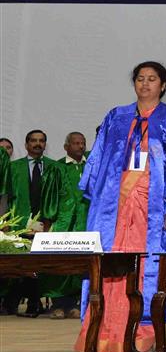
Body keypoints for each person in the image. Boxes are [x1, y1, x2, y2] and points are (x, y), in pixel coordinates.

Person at [75, 62, 166, 352]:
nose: (145, 84)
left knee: (147, 266)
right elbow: (98, 163)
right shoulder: (116, 117)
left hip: (154, 207)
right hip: (116, 207)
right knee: (111, 263)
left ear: (164, 84)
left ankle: (142, 331)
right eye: (140, 79)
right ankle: (104, 329)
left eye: (152, 79)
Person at [3, 129, 58, 317]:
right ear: (26, 145)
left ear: (45, 144)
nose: (37, 144)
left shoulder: (54, 167)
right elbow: (7, 196)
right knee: (22, 264)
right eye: (33, 141)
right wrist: (6, 221)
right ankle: (25, 302)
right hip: (19, 223)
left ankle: (33, 302)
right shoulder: (14, 167)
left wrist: (50, 221)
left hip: (46, 223)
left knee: (39, 263)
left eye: (41, 141)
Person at [48, 131, 91, 317]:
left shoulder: (90, 166)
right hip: (64, 223)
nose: (80, 146)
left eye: (82, 143)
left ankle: (74, 303)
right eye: (75, 143)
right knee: (61, 263)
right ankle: (58, 304)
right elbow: (50, 196)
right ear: (66, 147)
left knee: (81, 264)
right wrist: (48, 221)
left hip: (86, 222)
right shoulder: (57, 167)